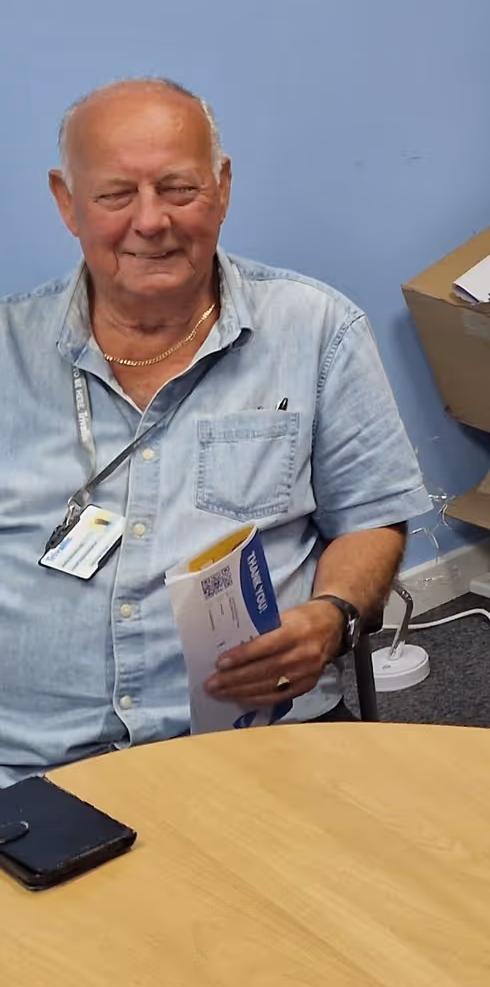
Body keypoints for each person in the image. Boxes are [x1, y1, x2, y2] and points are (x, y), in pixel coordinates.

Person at [0, 80, 424, 788]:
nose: (151, 221)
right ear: (65, 201)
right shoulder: (9, 350)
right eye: (114, 195)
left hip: (254, 747)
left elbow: (374, 517)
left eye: (178, 188)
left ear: (221, 188)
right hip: (31, 766)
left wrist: (332, 617)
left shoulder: (317, 330)